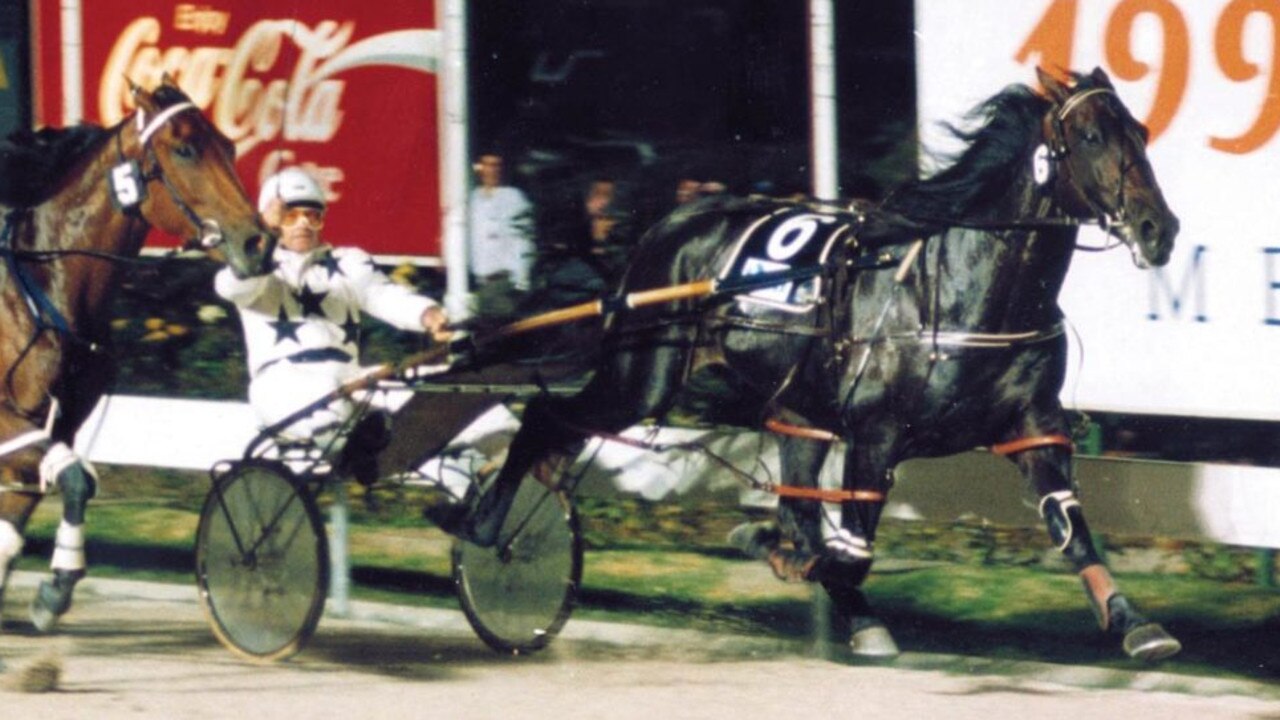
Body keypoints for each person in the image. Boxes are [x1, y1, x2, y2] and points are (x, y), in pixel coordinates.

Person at [215, 167, 449, 482]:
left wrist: (429, 315)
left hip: (352, 381)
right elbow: (232, 287)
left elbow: (384, 295)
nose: (303, 224)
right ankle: (367, 446)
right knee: (331, 402)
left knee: (452, 391)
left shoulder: (349, 261)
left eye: (312, 216)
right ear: (271, 220)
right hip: (281, 386)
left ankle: (491, 498)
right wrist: (263, 235)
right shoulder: (252, 269)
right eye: (290, 215)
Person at [468, 153, 535, 315]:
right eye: (487, 165)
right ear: (479, 168)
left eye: (496, 165)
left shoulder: (515, 197)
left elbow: (525, 241)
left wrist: (522, 281)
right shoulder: (472, 198)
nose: (492, 170)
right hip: (476, 282)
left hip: (504, 282)